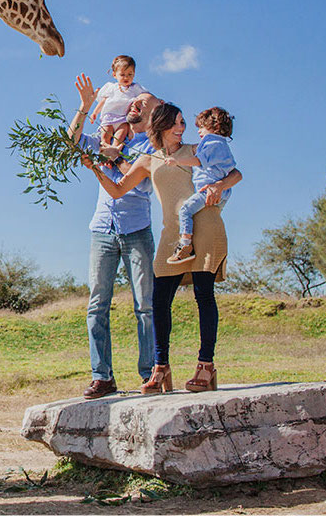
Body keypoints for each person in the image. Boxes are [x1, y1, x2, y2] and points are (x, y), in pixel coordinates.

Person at [89, 103, 243, 395]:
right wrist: (96, 167)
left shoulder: (197, 150)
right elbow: (119, 189)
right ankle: (161, 369)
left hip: (206, 226)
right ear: (160, 126)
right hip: (173, 235)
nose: (182, 128)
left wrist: (219, 185)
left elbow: (236, 174)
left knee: (203, 296)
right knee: (159, 301)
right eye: (176, 123)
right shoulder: (149, 159)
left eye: (183, 122)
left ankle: (205, 367)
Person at [67, 74, 162, 399]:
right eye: (132, 101)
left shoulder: (154, 147)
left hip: (137, 230)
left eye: (141, 103)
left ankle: (151, 374)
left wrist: (114, 156)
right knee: (97, 305)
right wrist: (84, 107)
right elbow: (72, 141)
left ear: (154, 114)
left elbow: (138, 184)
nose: (132, 103)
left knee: (146, 307)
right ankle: (102, 377)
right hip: (102, 229)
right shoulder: (108, 136)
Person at [165, 107, 237, 265]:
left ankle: (185, 246)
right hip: (222, 193)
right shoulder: (222, 145)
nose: (199, 132)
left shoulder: (212, 143)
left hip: (210, 190)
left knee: (185, 210)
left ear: (215, 127)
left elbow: (198, 160)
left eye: (202, 127)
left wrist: (177, 161)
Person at [89, 55, 148, 152]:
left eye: (130, 74)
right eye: (122, 74)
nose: (126, 77)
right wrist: (95, 112)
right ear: (114, 75)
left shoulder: (135, 88)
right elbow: (103, 101)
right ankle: (105, 151)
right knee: (105, 135)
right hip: (109, 116)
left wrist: (158, 100)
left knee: (120, 136)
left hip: (123, 119)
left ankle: (114, 151)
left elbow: (146, 96)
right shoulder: (111, 87)